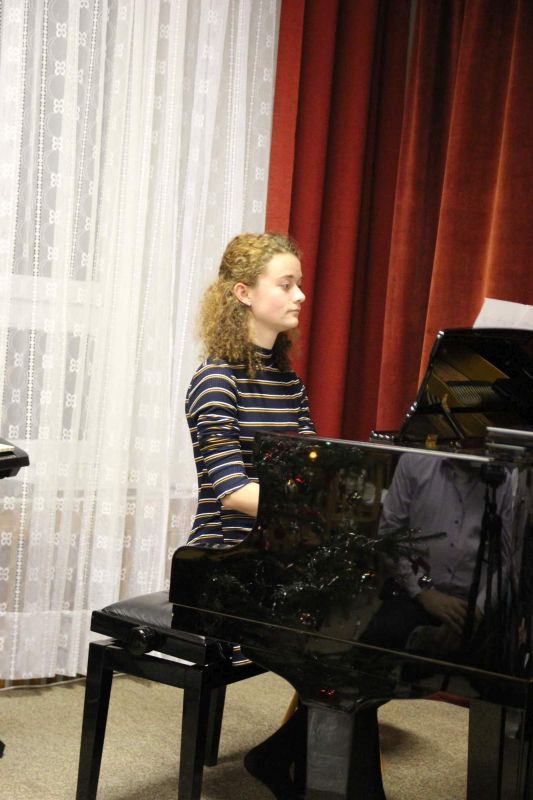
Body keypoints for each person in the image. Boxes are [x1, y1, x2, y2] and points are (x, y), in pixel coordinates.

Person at [185, 231, 314, 799]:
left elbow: (308, 473)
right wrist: (313, 505)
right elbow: (233, 492)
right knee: (347, 636)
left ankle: (289, 757)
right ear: (243, 293)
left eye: (299, 284)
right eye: (286, 284)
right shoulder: (214, 381)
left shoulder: (289, 384)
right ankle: (296, 764)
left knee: (378, 626)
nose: (300, 295)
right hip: (226, 560)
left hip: (277, 550)